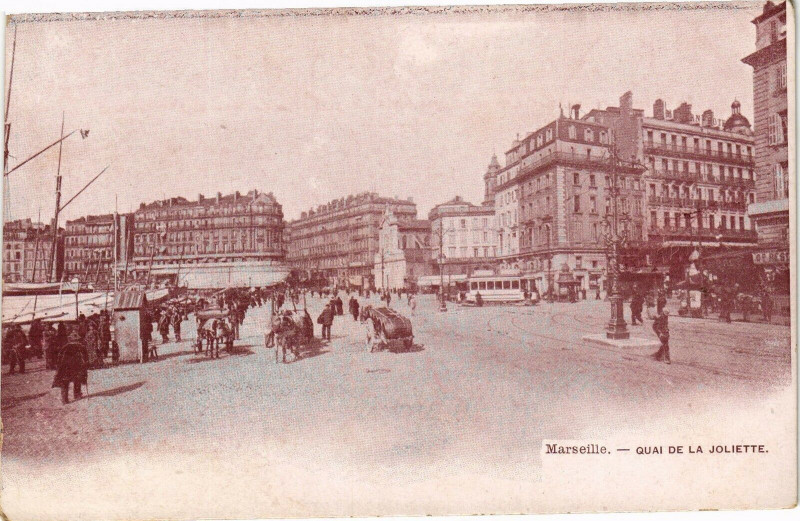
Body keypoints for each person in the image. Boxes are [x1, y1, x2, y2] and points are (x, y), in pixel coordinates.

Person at [52, 328, 88, 404]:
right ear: (78, 340)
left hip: (65, 368)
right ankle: (77, 394)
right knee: (77, 380)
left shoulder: (64, 347)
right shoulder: (81, 347)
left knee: (65, 382)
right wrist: (85, 365)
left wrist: (58, 367)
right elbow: (85, 359)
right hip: (77, 367)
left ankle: (64, 399)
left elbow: (59, 358)